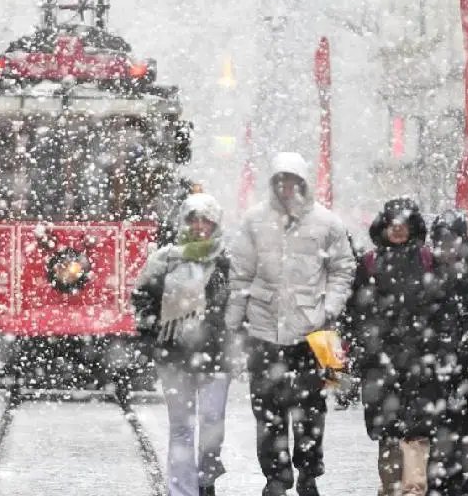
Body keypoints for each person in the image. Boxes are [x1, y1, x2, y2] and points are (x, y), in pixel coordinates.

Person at [226, 152, 356, 496]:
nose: (286, 187)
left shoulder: (326, 223)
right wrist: (234, 321)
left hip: (309, 335)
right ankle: (277, 477)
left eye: (292, 181)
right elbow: (240, 274)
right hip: (264, 332)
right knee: (267, 413)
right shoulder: (254, 221)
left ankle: (309, 472)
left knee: (311, 412)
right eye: (280, 180)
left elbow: (343, 268)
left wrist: (329, 307)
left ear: (302, 183)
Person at [344, 198, 468, 496]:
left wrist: (440, 351)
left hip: (420, 365)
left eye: (403, 225)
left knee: (416, 437)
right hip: (382, 365)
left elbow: (445, 312)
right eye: (393, 224)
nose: (398, 230)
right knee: (388, 438)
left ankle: (413, 491)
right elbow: (355, 315)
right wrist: (365, 350)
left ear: (413, 227)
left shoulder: (428, 261)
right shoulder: (370, 263)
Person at [133, 193, 232, 496]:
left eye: (206, 219)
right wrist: (154, 339)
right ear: (184, 222)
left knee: (213, 424)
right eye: (194, 219)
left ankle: (205, 479)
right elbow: (141, 300)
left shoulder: (228, 261)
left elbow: (241, 305)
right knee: (181, 429)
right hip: (174, 357)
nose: (200, 225)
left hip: (216, 356)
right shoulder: (165, 259)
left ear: (215, 223)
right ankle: (183, 491)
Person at [426, 210, 468, 496]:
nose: (447, 248)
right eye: (441, 241)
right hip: (436, 373)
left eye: (452, 240)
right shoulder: (429, 275)